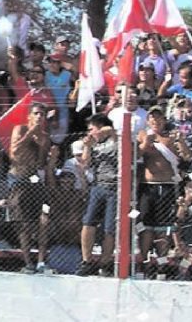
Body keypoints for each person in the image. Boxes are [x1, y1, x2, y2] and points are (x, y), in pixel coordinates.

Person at [136, 106, 192, 264]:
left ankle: (161, 264)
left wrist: (180, 141)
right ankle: (142, 262)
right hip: (148, 186)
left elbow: (187, 157)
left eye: (159, 118)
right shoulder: (142, 135)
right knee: (146, 225)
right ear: (148, 121)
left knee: (164, 227)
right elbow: (136, 155)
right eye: (152, 118)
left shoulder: (171, 137)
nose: (156, 121)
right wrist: (146, 142)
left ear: (164, 120)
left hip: (168, 186)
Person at [7, 103, 52, 273]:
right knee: (23, 223)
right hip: (19, 180)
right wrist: (30, 134)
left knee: (44, 219)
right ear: (30, 116)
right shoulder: (20, 129)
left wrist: (43, 146)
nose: (39, 117)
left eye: (42, 114)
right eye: (36, 113)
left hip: (35, 180)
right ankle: (27, 263)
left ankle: (41, 261)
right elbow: (15, 153)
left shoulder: (45, 137)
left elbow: (40, 162)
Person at [76, 114, 118, 277]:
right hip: (98, 185)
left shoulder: (114, 139)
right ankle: (86, 261)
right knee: (88, 223)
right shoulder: (94, 144)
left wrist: (106, 130)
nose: (89, 132)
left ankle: (105, 263)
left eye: (91, 128)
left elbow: (116, 136)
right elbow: (85, 164)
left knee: (109, 229)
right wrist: (87, 146)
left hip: (115, 187)